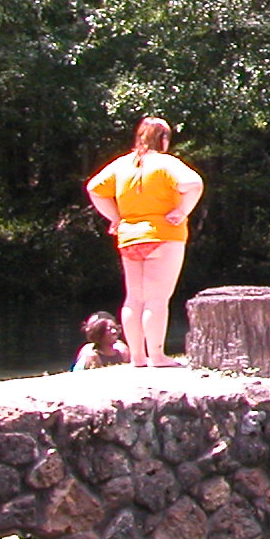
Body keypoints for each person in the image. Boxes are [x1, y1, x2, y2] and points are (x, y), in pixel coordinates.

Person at [85, 116, 203, 369]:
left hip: (129, 237)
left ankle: (138, 358)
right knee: (157, 299)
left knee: (134, 299)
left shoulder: (123, 164)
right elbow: (194, 183)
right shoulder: (165, 162)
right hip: (163, 234)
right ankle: (158, 356)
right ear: (163, 139)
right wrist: (182, 211)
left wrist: (115, 217)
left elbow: (94, 188)